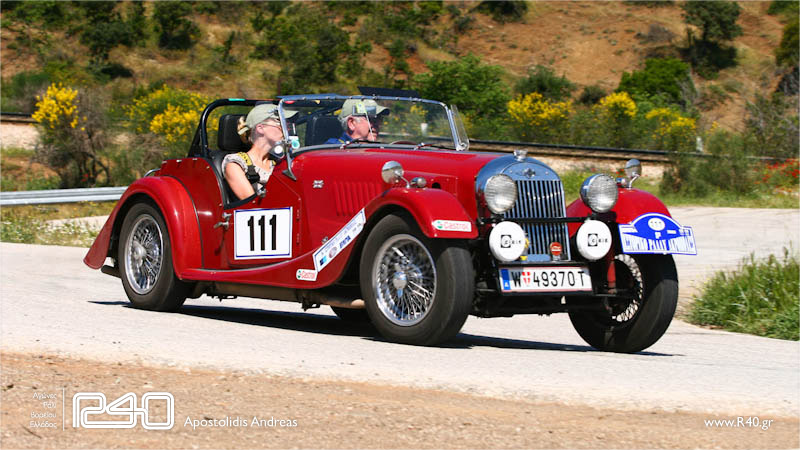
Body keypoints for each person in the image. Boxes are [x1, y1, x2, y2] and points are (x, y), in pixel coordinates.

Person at [223, 103, 297, 201]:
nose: (287, 127)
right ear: (260, 128)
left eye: (287, 123)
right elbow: (252, 204)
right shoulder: (235, 164)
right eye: (280, 122)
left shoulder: (281, 162)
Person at [325, 98, 389, 145]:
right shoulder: (334, 149)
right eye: (371, 119)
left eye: (379, 119)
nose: (378, 124)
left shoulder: (380, 148)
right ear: (351, 123)